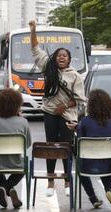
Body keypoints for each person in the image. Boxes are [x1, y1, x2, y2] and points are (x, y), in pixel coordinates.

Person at [28, 20, 85, 197]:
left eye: (64, 56)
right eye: (59, 55)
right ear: (55, 57)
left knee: (66, 147)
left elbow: (80, 100)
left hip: (68, 116)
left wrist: (65, 107)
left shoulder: (75, 76)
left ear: (69, 59)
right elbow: (36, 48)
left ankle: (67, 180)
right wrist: (33, 30)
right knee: (50, 146)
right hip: (50, 113)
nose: (61, 57)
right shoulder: (48, 67)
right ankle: (51, 181)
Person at [67, 89, 111, 209]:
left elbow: (79, 144)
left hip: (88, 165)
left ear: (90, 105)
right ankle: (109, 190)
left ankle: (93, 198)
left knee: (80, 166)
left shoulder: (84, 122)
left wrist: (77, 128)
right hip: (108, 164)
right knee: (105, 160)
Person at [0, 88, 31, 209]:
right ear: (17, 105)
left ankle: (3, 186)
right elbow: (26, 144)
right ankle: (8, 187)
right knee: (24, 168)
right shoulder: (23, 122)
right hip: (16, 163)